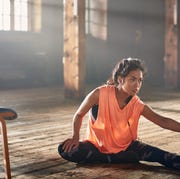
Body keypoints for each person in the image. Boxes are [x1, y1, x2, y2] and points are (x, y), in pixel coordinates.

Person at [58, 57, 180, 170]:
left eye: (140, 80)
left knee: (167, 157)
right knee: (65, 149)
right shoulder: (99, 94)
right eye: (132, 79)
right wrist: (75, 137)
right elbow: (79, 115)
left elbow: (163, 121)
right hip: (96, 147)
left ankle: (111, 159)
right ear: (121, 79)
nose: (137, 85)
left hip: (127, 147)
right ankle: (114, 158)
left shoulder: (137, 104)